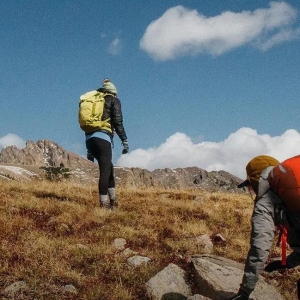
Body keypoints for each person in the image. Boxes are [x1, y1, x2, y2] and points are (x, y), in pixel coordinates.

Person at [227, 155, 300, 300]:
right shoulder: (290, 191)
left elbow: (259, 247)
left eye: (250, 187)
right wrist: (287, 263)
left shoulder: (265, 201)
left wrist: (244, 292)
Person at [85, 78, 129, 210]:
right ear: (113, 93)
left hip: (90, 140)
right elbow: (118, 121)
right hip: (103, 139)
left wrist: (89, 150)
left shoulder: (94, 102)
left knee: (109, 169)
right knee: (105, 171)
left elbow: (89, 124)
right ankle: (104, 206)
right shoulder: (113, 100)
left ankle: (114, 202)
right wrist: (124, 140)